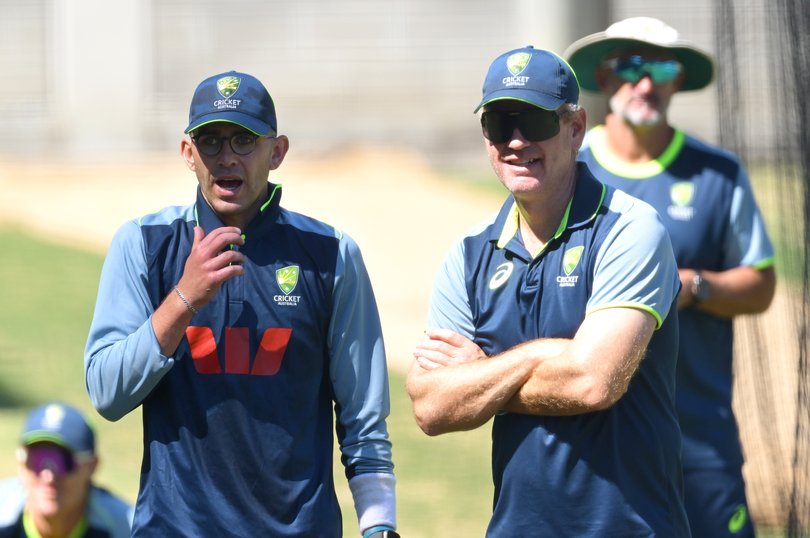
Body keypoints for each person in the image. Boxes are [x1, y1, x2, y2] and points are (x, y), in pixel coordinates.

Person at [84, 70, 399, 537]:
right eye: (210, 142)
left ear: (277, 151)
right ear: (187, 153)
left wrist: (379, 525)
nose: (226, 158)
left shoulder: (331, 255)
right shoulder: (143, 245)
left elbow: (363, 419)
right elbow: (107, 393)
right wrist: (184, 298)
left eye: (243, 140)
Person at [406, 45, 690, 536]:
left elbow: (592, 382)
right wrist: (542, 358)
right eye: (499, 124)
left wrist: (481, 373)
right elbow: (431, 406)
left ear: (575, 128)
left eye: (534, 122)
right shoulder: (469, 253)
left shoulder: (631, 229)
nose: (515, 142)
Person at [566, 17, 777, 538]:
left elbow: (762, 284)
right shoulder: (568, 170)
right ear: (604, 76)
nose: (646, 81)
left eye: (661, 66)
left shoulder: (718, 173)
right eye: (632, 66)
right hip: (594, 441)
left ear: (677, 79)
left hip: (699, 441)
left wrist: (696, 287)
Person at [0, 402, 132, 538]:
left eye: (64, 461)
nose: (48, 476)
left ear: (92, 466)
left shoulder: (129, 529)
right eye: (36, 460)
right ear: (22, 464)